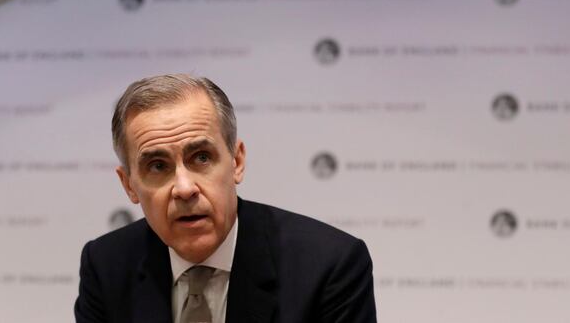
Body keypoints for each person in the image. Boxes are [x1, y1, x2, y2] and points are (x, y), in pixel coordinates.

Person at [75, 74, 376, 322]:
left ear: (237, 161)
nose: (184, 188)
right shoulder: (106, 267)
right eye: (157, 166)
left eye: (201, 157)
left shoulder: (330, 266)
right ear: (129, 185)